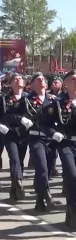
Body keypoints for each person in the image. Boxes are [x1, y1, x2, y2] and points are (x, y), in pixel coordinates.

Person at [43, 71, 76, 230]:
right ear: (65, 84)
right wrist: (54, 133)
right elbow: (44, 124)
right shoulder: (57, 103)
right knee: (72, 177)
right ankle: (73, 211)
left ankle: (72, 208)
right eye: (72, 79)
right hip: (66, 143)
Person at [23, 73, 59, 212]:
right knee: (42, 169)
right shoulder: (26, 100)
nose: (41, 80)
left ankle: (40, 199)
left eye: (43, 79)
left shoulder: (53, 100)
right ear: (31, 85)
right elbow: (13, 113)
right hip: (36, 137)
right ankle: (45, 194)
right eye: (37, 79)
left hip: (50, 139)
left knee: (48, 170)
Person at [0, 72, 30, 202]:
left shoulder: (28, 98)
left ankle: (14, 190)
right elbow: (4, 115)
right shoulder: (4, 98)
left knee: (20, 160)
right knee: (14, 158)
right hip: (9, 133)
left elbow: (33, 114)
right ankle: (18, 181)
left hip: (23, 133)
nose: (18, 80)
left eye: (20, 78)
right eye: (15, 79)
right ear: (10, 83)